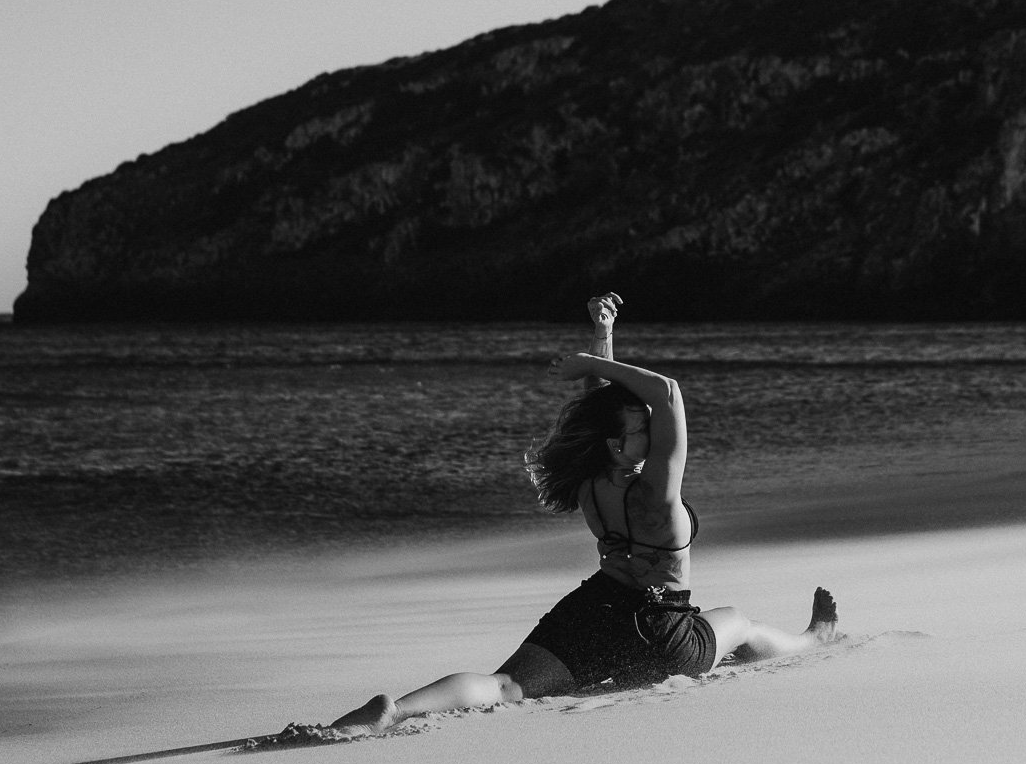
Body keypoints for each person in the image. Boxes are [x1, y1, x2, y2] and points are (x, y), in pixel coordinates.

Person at [328, 294, 838, 735]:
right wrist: (592, 363)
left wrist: (602, 336)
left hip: (596, 610)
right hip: (662, 633)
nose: (655, 429)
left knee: (505, 685)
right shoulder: (657, 493)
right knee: (740, 624)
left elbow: (602, 410)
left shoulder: (593, 480)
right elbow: (669, 393)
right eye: (643, 429)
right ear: (619, 444)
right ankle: (812, 640)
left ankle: (396, 709)